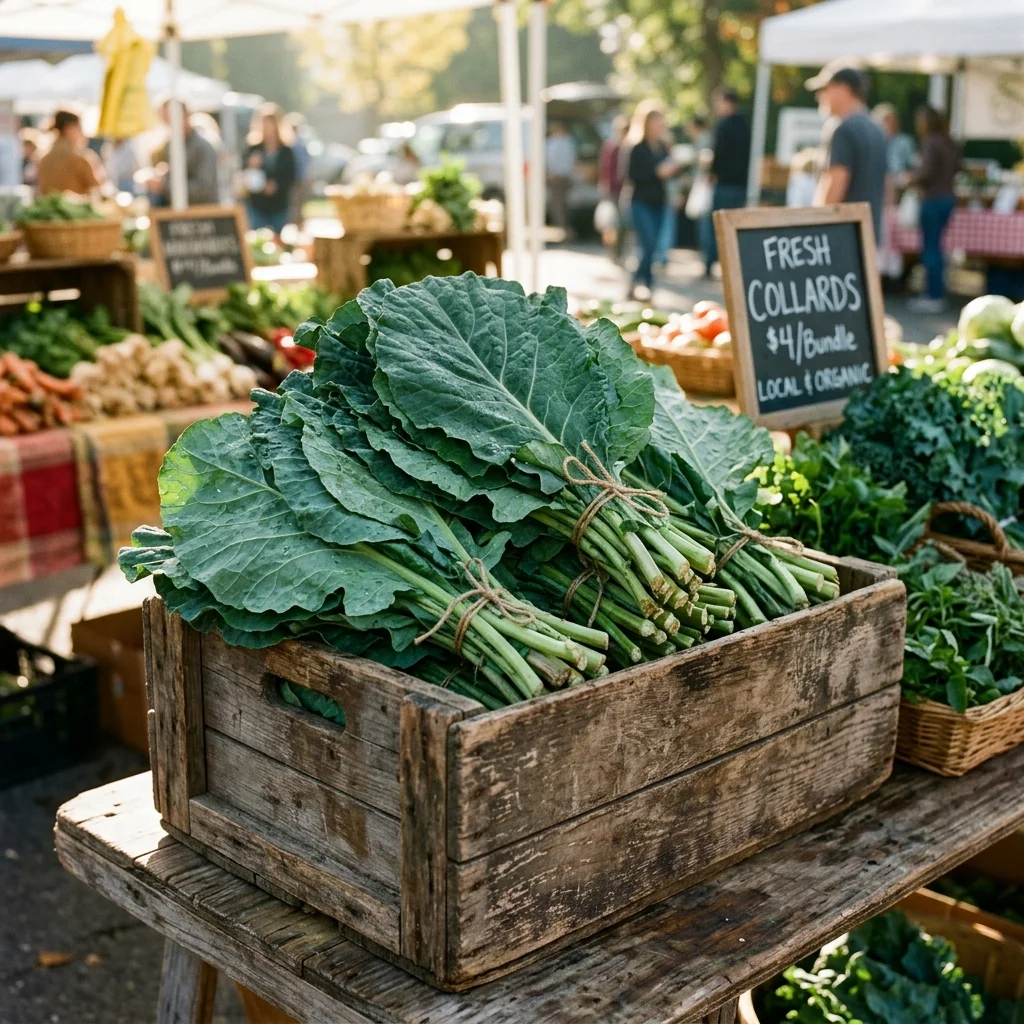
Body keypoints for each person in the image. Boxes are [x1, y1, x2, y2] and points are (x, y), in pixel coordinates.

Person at [808, 65, 888, 242]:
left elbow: (836, 182)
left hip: (841, 235)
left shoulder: (842, 129)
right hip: (868, 231)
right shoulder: (877, 129)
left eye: (825, 89)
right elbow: (887, 183)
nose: (820, 96)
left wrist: (815, 227)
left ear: (843, 89)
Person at [906, 106, 959, 312]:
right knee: (937, 247)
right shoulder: (948, 142)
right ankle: (936, 291)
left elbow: (925, 172)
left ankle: (932, 294)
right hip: (948, 198)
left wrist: (910, 177)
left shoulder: (931, 142)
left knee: (931, 248)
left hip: (933, 199)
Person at [624, 102, 678, 299]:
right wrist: (656, 172)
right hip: (640, 202)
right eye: (656, 121)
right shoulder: (637, 147)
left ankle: (639, 283)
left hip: (659, 202)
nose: (660, 125)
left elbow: (672, 174)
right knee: (646, 243)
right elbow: (631, 175)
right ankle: (643, 283)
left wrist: (674, 170)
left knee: (654, 246)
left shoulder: (664, 147)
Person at [704, 88, 751, 276]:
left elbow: (719, 154)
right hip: (741, 184)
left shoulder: (724, 126)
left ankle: (711, 262)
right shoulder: (745, 124)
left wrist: (712, 171)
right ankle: (730, 266)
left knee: (716, 226)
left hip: (725, 184)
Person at [142, 102, 221, 206]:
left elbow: (203, 189)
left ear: (186, 116)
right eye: (166, 120)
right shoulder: (167, 145)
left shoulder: (203, 147)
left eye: (171, 119)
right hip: (174, 215)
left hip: (203, 215)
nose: (168, 125)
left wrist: (164, 185)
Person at [244, 103, 297, 234]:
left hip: (279, 205)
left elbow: (291, 175)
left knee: (278, 240)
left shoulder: (286, 151)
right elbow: (245, 177)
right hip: (258, 205)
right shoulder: (253, 149)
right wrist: (252, 166)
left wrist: (276, 185)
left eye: (270, 124)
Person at [36, 110, 106, 197]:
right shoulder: (80, 159)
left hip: (50, 210)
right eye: (79, 128)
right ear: (70, 129)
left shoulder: (43, 160)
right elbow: (96, 187)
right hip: (77, 209)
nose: (82, 132)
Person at [545, 122, 577, 237]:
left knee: (557, 204)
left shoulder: (554, 143)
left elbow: (550, 160)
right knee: (563, 203)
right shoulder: (569, 142)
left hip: (557, 176)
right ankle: (564, 228)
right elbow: (573, 160)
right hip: (565, 176)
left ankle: (561, 228)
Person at [872, 102, 916, 179]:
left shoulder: (905, 141)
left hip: (900, 183)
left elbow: (912, 163)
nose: (889, 124)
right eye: (885, 120)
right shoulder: (874, 143)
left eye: (892, 120)